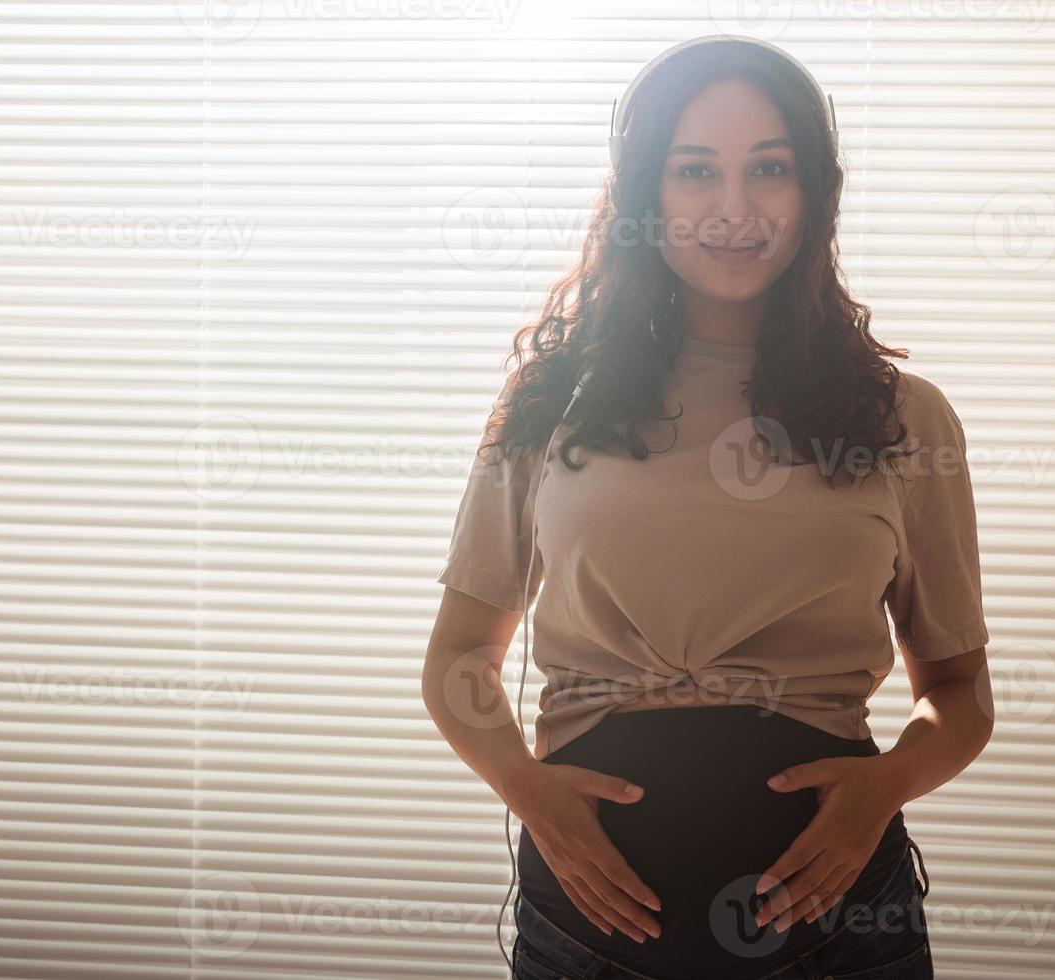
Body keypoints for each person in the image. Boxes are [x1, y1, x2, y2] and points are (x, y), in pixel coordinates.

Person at [422, 35, 993, 980]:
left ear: (816, 192)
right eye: (696, 172)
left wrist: (883, 787)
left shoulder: (903, 419)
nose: (735, 209)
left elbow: (961, 699)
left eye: (770, 169)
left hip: (841, 936)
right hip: (587, 937)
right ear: (647, 196)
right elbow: (457, 657)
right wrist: (527, 787)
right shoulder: (550, 403)